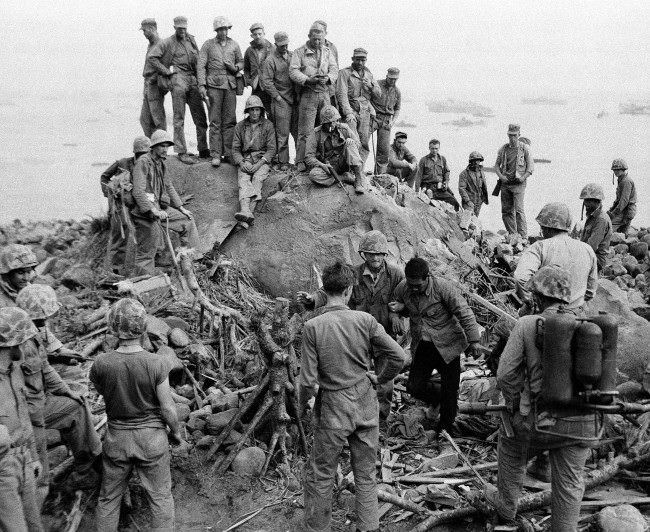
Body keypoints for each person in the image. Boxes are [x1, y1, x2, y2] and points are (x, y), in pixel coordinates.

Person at [481, 266, 599, 531]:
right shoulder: (589, 327)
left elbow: (505, 374)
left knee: (510, 446)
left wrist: (513, 405)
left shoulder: (527, 324)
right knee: (569, 485)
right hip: (583, 423)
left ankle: (507, 510)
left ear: (537, 296)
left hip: (539, 421)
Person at [298, 261, 405, 532]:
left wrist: (304, 406)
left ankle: (317, 528)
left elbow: (308, 382)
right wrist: (380, 377)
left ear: (326, 288)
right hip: (366, 402)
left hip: (333, 405)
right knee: (366, 475)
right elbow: (398, 356)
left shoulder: (313, 326)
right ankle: (368, 528)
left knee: (322, 474)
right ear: (349, 290)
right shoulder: (365, 320)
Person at [90, 298, 184, 531]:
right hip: (151, 440)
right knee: (160, 497)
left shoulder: (101, 363)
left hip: (116, 440)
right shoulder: (157, 362)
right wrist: (177, 433)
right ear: (143, 327)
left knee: (108, 499)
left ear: (113, 328)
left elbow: (103, 392)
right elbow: (168, 408)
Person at [297, 230, 405, 422]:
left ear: (385, 254)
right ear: (363, 254)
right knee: (356, 379)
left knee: (386, 384)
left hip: (383, 333)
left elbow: (405, 297)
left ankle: (381, 419)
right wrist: (312, 299)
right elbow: (329, 291)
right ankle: (355, 417)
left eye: (380, 254)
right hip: (357, 336)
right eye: (371, 254)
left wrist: (396, 313)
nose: (376, 258)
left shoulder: (395, 274)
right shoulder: (353, 273)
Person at [16, 284, 102, 502]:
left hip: (33, 406)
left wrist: (67, 391)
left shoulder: (30, 335)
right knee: (39, 479)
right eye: (41, 319)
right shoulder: (20, 345)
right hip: (25, 415)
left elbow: (45, 367)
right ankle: (86, 465)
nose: (45, 323)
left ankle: (86, 464)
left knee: (76, 404)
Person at [389, 257, 481, 434]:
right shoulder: (404, 287)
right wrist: (395, 316)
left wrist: (474, 341)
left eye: (418, 285)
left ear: (427, 277)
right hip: (423, 346)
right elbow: (393, 304)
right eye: (411, 284)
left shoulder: (442, 288)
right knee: (414, 387)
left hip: (448, 345)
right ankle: (438, 396)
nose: (414, 288)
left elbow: (464, 312)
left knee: (450, 389)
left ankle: (445, 429)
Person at [130, 129, 199, 275]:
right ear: (153, 146)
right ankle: (146, 283)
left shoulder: (161, 163)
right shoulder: (143, 162)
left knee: (187, 221)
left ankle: (191, 260)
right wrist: (153, 210)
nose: (165, 149)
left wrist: (181, 208)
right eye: (162, 146)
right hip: (145, 213)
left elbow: (169, 186)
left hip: (160, 209)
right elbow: (138, 191)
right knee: (148, 248)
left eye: (167, 146)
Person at [0, 307, 44, 532]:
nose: (25, 347)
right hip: (2, 466)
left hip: (24, 457)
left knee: (35, 525)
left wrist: (34, 456)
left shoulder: (15, 370)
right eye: (21, 342)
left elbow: (24, 415)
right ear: (10, 344)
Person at [0, 244, 82, 363]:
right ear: (7, 272)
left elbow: (39, 322)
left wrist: (59, 350)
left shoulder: (26, 289)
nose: (26, 278)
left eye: (29, 272)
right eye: (21, 273)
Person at [514, 202, 597, 313]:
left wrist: (530, 301)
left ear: (546, 228)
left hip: (546, 315)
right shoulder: (588, 249)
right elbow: (590, 291)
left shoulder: (540, 247)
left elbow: (520, 277)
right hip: (576, 315)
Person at [149, 16, 208, 165]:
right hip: (178, 79)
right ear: (174, 27)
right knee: (179, 118)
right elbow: (152, 57)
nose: (182, 30)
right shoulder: (168, 42)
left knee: (200, 117)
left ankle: (203, 149)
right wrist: (166, 72)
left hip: (193, 79)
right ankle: (181, 151)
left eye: (184, 28)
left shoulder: (191, 40)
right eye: (179, 28)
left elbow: (199, 61)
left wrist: (202, 82)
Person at [289, 22, 338, 172]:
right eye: (314, 39)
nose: (317, 42)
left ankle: (324, 158)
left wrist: (328, 78)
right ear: (309, 36)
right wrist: (307, 79)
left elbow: (334, 69)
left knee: (327, 126)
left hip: (324, 93)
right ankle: (301, 160)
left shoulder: (328, 51)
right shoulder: (299, 52)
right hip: (308, 93)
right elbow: (293, 71)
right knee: (306, 130)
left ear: (324, 38)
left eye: (320, 39)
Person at [198, 17, 244, 168]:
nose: (223, 32)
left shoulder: (234, 44)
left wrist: (236, 67)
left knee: (230, 121)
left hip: (230, 86)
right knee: (215, 121)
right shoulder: (208, 45)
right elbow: (201, 65)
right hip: (213, 86)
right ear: (216, 31)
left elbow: (241, 61)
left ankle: (229, 153)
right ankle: (216, 154)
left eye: (225, 29)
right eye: (220, 30)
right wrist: (202, 85)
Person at [100, 136, 151, 273]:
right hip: (119, 207)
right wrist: (110, 193)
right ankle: (115, 272)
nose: (143, 156)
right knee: (119, 239)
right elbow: (104, 177)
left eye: (145, 153)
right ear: (135, 153)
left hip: (137, 206)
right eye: (140, 154)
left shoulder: (148, 164)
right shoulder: (122, 163)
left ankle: (138, 271)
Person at [232, 95, 277, 225]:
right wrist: (241, 162)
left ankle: (247, 214)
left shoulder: (268, 125)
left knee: (258, 179)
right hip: (246, 159)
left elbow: (271, 149)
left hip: (262, 159)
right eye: (252, 110)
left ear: (261, 111)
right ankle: (245, 209)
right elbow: (235, 150)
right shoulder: (240, 126)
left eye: (257, 110)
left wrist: (259, 164)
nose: (255, 113)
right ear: (247, 111)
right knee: (243, 179)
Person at [305, 105, 366, 194]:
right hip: (328, 167)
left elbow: (358, 144)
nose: (333, 124)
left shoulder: (344, 128)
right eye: (330, 122)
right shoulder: (316, 134)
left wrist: (351, 140)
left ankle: (358, 181)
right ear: (324, 123)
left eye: (335, 121)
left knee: (351, 143)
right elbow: (308, 157)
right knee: (313, 175)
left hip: (344, 163)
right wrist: (322, 165)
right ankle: (344, 178)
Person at [336, 48, 382, 165]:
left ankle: (360, 169)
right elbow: (342, 94)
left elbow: (378, 94)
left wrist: (371, 86)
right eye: (358, 60)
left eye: (363, 60)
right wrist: (348, 113)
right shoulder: (345, 73)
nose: (360, 63)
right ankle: (350, 168)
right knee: (352, 140)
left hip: (365, 112)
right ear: (353, 59)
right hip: (351, 111)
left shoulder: (368, 74)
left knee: (364, 143)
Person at [260, 31, 298, 170]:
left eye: (286, 45)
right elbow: (266, 82)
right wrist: (277, 97)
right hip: (281, 100)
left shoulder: (293, 55)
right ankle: (283, 162)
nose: (285, 47)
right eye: (282, 45)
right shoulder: (270, 60)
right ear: (275, 44)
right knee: (282, 133)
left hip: (294, 99)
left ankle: (299, 160)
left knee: (297, 131)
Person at [494, 124, 534, 238]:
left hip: (519, 185)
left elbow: (530, 167)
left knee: (519, 211)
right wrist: (501, 176)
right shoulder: (503, 149)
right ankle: (513, 235)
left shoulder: (524, 149)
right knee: (506, 211)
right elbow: (496, 166)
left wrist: (522, 177)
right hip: (505, 184)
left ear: (519, 135)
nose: (512, 138)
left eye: (514, 135)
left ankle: (523, 237)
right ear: (508, 135)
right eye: (510, 135)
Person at [139, 19, 167, 138]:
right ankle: (153, 147)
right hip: (148, 84)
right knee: (145, 119)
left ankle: (162, 147)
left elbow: (165, 66)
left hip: (154, 84)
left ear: (151, 29)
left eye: (145, 30)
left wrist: (154, 78)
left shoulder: (161, 44)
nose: (144, 33)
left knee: (157, 118)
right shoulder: (151, 44)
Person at [414, 139, 460, 211]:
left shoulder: (442, 159)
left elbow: (447, 172)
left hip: (440, 188)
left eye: (436, 149)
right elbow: (418, 176)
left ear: (439, 148)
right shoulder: (423, 160)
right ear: (429, 148)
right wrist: (416, 191)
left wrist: (446, 182)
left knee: (454, 202)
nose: (434, 151)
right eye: (432, 148)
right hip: (427, 187)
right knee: (430, 205)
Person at [372, 68, 402, 174]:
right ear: (387, 76)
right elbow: (368, 98)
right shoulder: (377, 84)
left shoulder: (397, 92)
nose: (393, 81)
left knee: (383, 151)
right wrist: (371, 113)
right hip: (374, 117)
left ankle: (379, 176)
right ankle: (357, 172)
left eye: (395, 79)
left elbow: (397, 109)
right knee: (362, 142)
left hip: (386, 121)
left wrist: (393, 122)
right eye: (391, 79)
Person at [579, 183, 612, 272]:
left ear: (597, 201)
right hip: (590, 255)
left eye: (589, 201)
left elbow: (591, 247)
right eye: (585, 200)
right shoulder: (592, 216)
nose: (586, 203)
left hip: (596, 259)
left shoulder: (601, 220)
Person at [243, 23, 274, 115]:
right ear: (252, 36)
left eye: (260, 34)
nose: (258, 36)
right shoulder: (249, 51)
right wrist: (249, 80)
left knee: (271, 114)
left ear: (264, 33)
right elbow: (246, 68)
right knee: (256, 114)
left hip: (270, 86)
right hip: (256, 87)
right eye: (255, 34)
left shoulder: (272, 49)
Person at [312, 19, 339, 106]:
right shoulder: (308, 46)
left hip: (328, 88)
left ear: (325, 32)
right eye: (315, 30)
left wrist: (329, 79)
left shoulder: (332, 47)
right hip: (312, 89)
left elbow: (335, 68)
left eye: (320, 30)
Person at [607, 158, 637, 235]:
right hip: (623, 209)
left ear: (623, 169)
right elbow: (618, 199)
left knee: (609, 226)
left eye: (618, 169)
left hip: (627, 210)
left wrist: (613, 213)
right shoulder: (621, 179)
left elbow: (624, 201)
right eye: (614, 170)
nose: (615, 171)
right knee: (621, 232)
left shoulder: (626, 181)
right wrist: (611, 210)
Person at [458, 151, 489, 216]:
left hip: (478, 201)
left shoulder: (481, 172)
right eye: (473, 160)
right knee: (468, 218)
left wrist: (483, 199)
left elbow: (483, 186)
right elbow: (461, 189)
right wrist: (468, 201)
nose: (475, 162)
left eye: (477, 160)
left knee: (475, 219)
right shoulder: (464, 174)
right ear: (470, 161)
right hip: (468, 202)